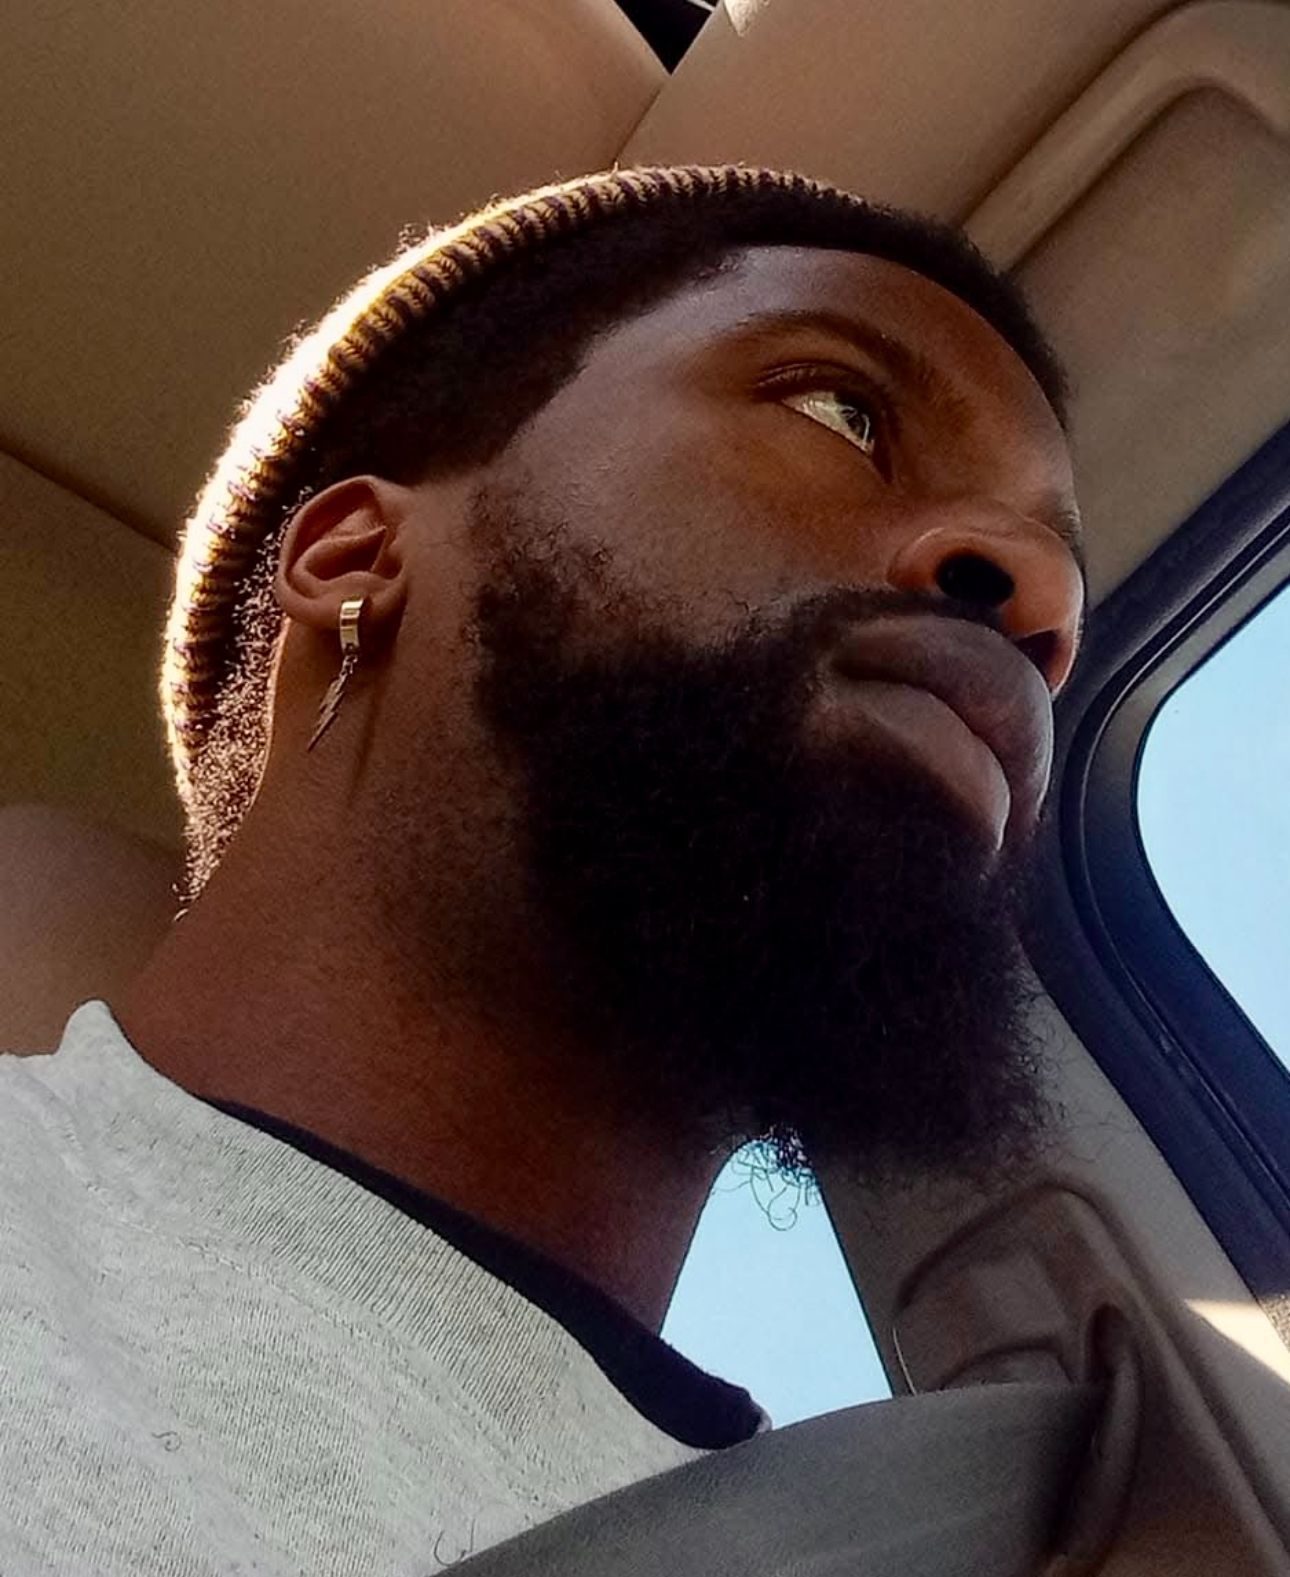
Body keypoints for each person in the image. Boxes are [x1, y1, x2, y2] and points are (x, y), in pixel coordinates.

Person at [0, 165, 1085, 1574]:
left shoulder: (933, 1533)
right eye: (841, 410)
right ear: (353, 553)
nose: (1037, 608)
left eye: (1066, 597)